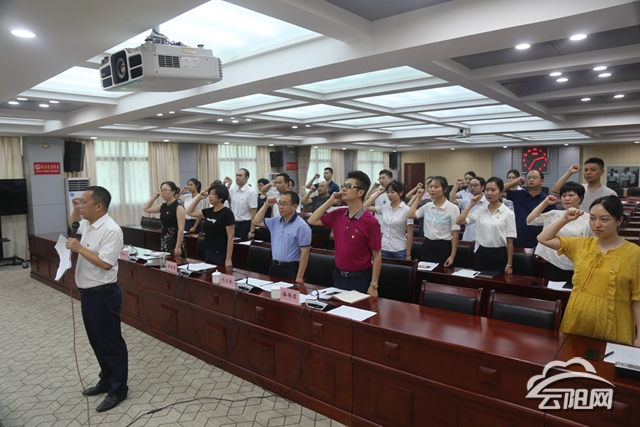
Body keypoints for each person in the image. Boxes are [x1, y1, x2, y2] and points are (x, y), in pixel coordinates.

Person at [537, 196, 640, 347]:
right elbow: (543, 238)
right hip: (577, 320)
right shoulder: (582, 245)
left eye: (604, 219)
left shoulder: (634, 253)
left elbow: (638, 299)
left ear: (619, 220)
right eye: (592, 218)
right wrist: (565, 219)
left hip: (615, 324)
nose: (596, 224)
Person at [66, 186, 128, 412]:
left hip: (104, 294)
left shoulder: (111, 230)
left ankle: (119, 389)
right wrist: (76, 209)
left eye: (84, 203)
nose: (81, 206)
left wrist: (79, 249)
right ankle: (107, 379)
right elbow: (73, 224)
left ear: (99, 206)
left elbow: (106, 263)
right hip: (88, 294)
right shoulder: (88, 224)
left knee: (111, 343)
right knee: (97, 341)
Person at [308, 170, 382, 296]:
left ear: (360, 192)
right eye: (343, 186)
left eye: (349, 186)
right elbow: (312, 220)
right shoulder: (339, 214)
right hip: (338, 275)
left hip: (360, 278)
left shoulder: (371, 222)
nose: (343, 189)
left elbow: (377, 256)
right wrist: (330, 201)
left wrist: (374, 284)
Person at [527, 182, 590, 285]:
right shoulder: (554, 214)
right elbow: (530, 220)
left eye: (571, 195)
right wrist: (545, 203)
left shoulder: (588, 218)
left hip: (578, 266)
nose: (567, 198)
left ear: (581, 198)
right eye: (564, 195)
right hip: (553, 264)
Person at [456, 177, 517, 274]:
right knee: (479, 279)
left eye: (493, 190)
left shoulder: (508, 213)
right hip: (481, 252)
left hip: (499, 253)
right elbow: (459, 221)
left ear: (501, 192)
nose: (489, 193)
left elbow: (510, 242)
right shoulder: (481, 211)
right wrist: (471, 205)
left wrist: (509, 264)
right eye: (487, 190)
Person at [253, 191, 312, 282]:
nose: (281, 207)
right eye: (279, 203)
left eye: (284, 204)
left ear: (294, 207)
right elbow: (256, 221)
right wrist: (266, 205)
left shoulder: (302, 226)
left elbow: (305, 253)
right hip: (274, 266)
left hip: (290, 268)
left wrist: (300, 276)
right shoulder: (275, 221)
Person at [408, 176, 459, 266]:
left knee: (442, 272)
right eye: (430, 187)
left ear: (445, 189)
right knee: (426, 271)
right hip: (427, 244)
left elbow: (455, 234)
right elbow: (410, 215)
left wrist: (452, 256)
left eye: (436, 187)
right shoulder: (427, 206)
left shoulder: (453, 208)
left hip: (443, 246)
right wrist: (418, 197)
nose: (432, 190)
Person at [185, 184, 235, 267]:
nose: (210, 196)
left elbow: (230, 238)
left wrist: (228, 259)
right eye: (210, 194)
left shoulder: (227, 213)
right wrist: (199, 197)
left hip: (220, 252)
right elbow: (189, 212)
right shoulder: (209, 211)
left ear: (221, 198)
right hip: (208, 250)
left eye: (213, 194)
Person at [365, 180, 415, 260]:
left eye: (392, 192)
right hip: (384, 247)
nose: (389, 195)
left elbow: (410, 234)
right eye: (388, 192)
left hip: (399, 249)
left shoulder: (407, 210)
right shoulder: (385, 208)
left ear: (401, 193)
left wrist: (408, 255)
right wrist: (378, 193)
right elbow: (365, 206)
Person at [504, 170, 554, 248]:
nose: (531, 180)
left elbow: (553, 222)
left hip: (539, 243)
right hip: (518, 241)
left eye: (534, 177)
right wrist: (516, 181)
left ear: (542, 181)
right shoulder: (518, 194)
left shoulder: (547, 200)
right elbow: (498, 191)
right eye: (528, 178)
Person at [551, 158, 616, 211]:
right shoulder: (579, 189)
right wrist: (570, 172)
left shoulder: (610, 193)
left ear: (602, 172)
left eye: (593, 170)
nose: (588, 173)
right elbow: (555, 189)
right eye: (586, 170)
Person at [143, 181, 186, 257]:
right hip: (165, 239)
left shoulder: (178, 207)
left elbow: (181, 229)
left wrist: (178, 246)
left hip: (176, 240)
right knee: (165, 261)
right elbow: (146, 208)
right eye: (161, 190)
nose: (162, 192)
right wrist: (154, 197)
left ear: (173, 191)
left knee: (176, 261)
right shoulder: (162, 206)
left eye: (165, 190)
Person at [450, 176, 487, 250]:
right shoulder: (467, 200)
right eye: (470, 185)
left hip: (484, 239)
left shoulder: (488, 202)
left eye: (475, 185)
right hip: (468, 237)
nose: (472, 188)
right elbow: (452, 199)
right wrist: (457, 185)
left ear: (482, 187)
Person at [301, 180, 338, 249]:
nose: (319, 188)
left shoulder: (332, 200)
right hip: (314, 224)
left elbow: (336, 217)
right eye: (318, 187)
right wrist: (310, 191)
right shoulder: (316, 198)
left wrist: (333, 231)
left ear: (327, 188)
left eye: (322, 186)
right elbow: (303, 202)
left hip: (325, 226)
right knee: (304, 224)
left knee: (329, 247)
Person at [229, 168, 257, 239]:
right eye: (236, 175)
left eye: (240, 175)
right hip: (233, 223)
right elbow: (222, 195)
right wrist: (227, 184)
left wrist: (252, 230)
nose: (237, 177)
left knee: (243, 244)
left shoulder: (251, 192)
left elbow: (254, 212)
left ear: (246, 178)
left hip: (245, 224)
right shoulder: (233, 190)